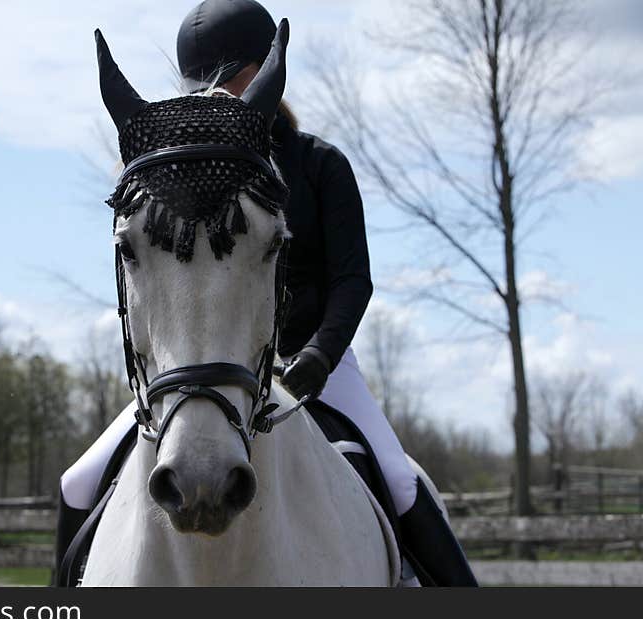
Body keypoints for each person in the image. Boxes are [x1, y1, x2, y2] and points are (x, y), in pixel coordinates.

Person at [59, 0, 477, 586]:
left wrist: (321, 356)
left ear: (259, 75)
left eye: (225, 79)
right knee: (78, 482)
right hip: (200, 370)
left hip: (316, 363)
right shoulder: (182, 173)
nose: (211, 95)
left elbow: (353, 279)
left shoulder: (318, 165)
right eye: (197, 84)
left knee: (402, 482)